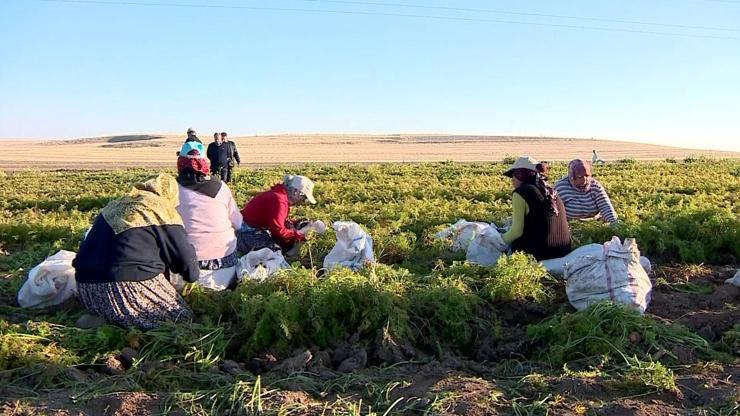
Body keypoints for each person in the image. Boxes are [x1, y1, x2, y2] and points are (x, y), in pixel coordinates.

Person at [72, 174, 199, 330]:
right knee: (180, 319)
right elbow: (187, 265)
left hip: (86, 289)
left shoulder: (117, 205)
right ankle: (112, 323)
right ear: (171, 194)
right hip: (123, 289)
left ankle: (105, 316)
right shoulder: (163, 211)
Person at [175, 141, 243, 284]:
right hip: (226, 266)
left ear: (180, 162)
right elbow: (238, 223)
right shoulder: (221, 187)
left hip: (186, 269)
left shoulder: (172, 190)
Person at [501, 156, 571, 261]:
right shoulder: (551, 192)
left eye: (513, 175)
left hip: (539, 253)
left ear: (520, 175)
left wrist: (499, 240)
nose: (512, 180)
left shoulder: (521, 193)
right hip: (563, 250)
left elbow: (516, 231)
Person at [238, 174, 316, 254]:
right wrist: (300, 234)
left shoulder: (279, 195)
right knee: (275, 252)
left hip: (249, 228)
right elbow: (278, 231)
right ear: (296, 192)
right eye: (304, 198)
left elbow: (278, 222)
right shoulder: (279, 201)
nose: (303, 201)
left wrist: (294, 226)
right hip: (246, 233)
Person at [554, 159, 618, 225]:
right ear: (572, 177)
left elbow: (606, 207)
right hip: (570, 225)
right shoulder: (561, 188)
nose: (584, 180)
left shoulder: (595, 186)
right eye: (580, 177)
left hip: (594, 225)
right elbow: (554, 213)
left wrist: (615, 225)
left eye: (587, 176)